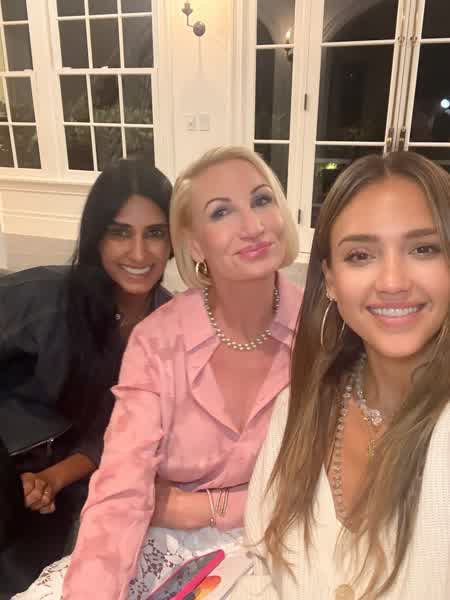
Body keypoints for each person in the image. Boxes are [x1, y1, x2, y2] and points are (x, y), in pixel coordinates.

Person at [16, 145, 302, 600]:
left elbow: (329, 479)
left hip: (282, 541)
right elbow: (122, 487)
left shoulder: (323, 329)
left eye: (262, 200)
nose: (252, 225)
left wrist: (205, 508)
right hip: (154, 539)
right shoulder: (156, 338)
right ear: (194, 245)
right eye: (222, 211)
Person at [234, 151, 450, 599]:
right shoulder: (298, 406)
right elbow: (260, 564)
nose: (392, 281)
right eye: (360, 255)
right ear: (330, 280)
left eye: (423, 249)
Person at [0, 158, 173, 598]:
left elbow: (123, 437)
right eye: (120, 232)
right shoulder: (43, 298)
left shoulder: (173, 330)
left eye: (155, 233)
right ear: (97, 237)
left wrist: (52, 479)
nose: (139, 253)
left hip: (73, 486)